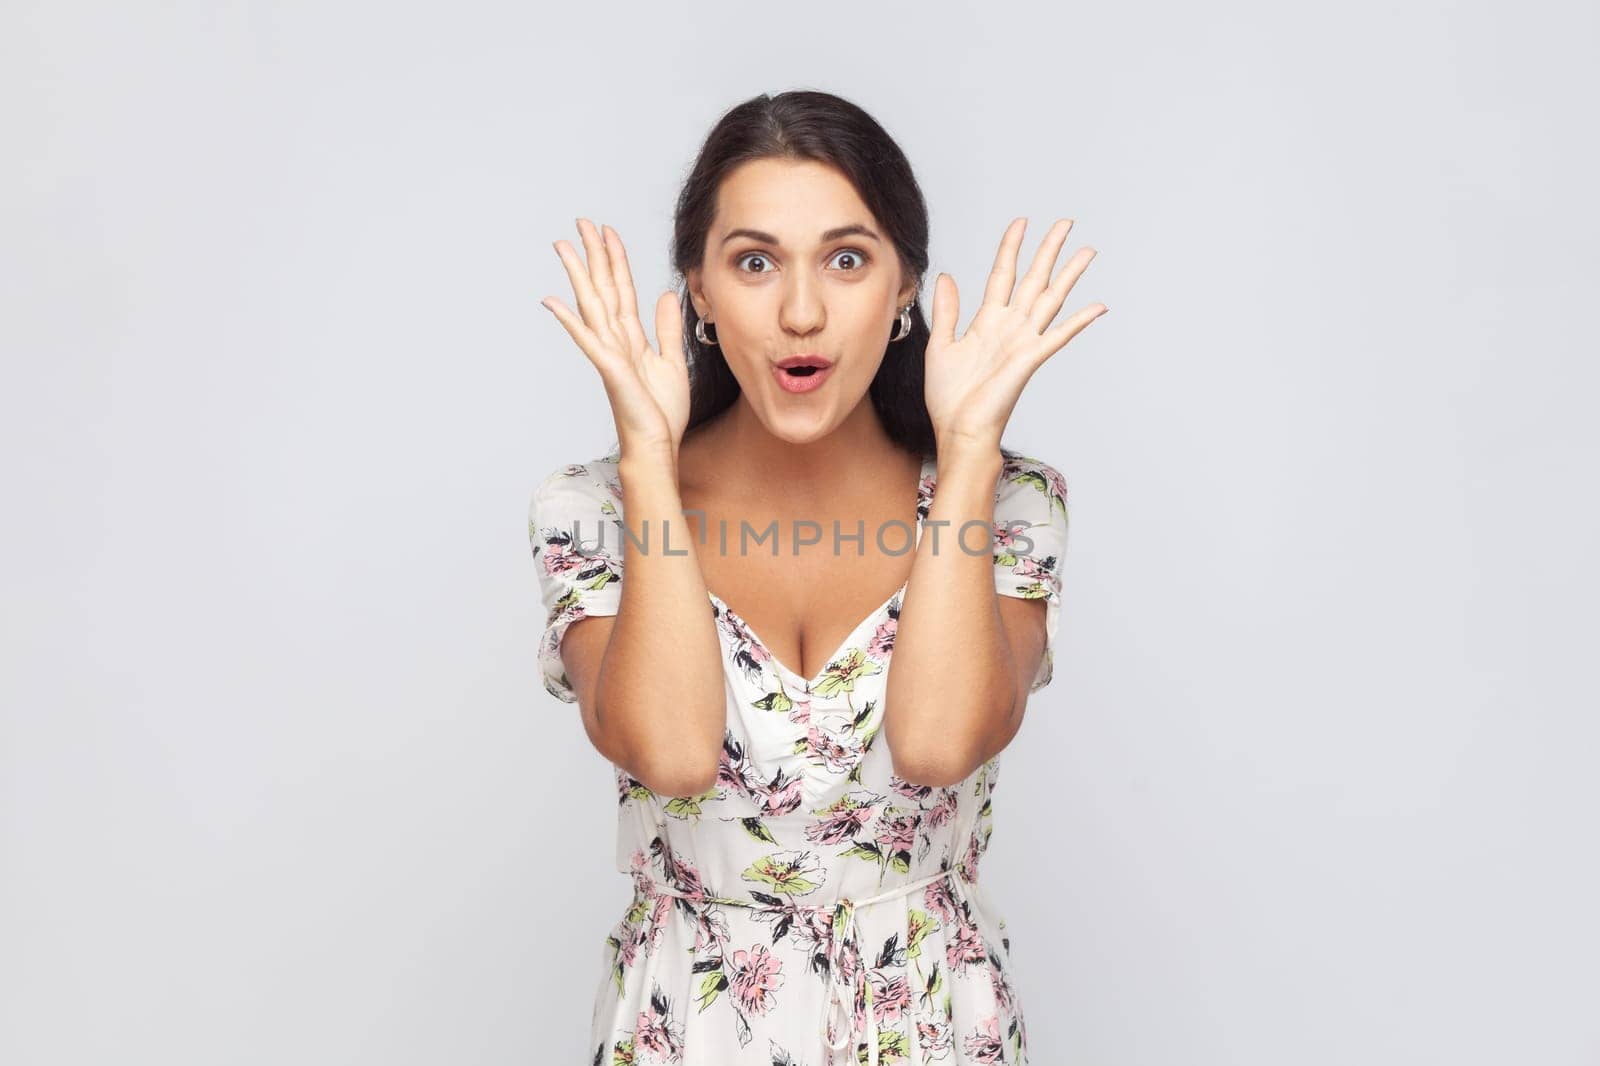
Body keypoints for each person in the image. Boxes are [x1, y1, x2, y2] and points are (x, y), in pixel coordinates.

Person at [528, 90, 1104, 1066]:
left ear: (905, 285)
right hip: (688, 1028)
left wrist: (967, 453)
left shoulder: (1011, 504)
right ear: (699, 292)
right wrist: (645, 459)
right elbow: (668, 753)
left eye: (847, 259)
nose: (801, 313)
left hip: (928, 1027)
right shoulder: (594, 511)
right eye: (755, 263)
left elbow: (935, 743)